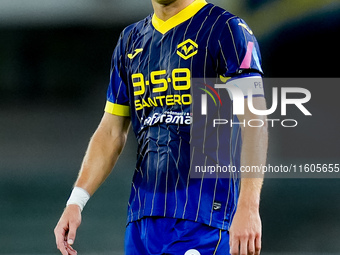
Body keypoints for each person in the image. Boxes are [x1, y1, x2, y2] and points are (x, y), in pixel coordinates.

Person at [54, 0, 268, 254]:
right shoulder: (130, 41)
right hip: (142, 222)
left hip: (205, 220)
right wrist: (76, 202)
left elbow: (255, 121)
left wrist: (248, 207)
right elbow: (111, 132)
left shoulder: (226, 29)